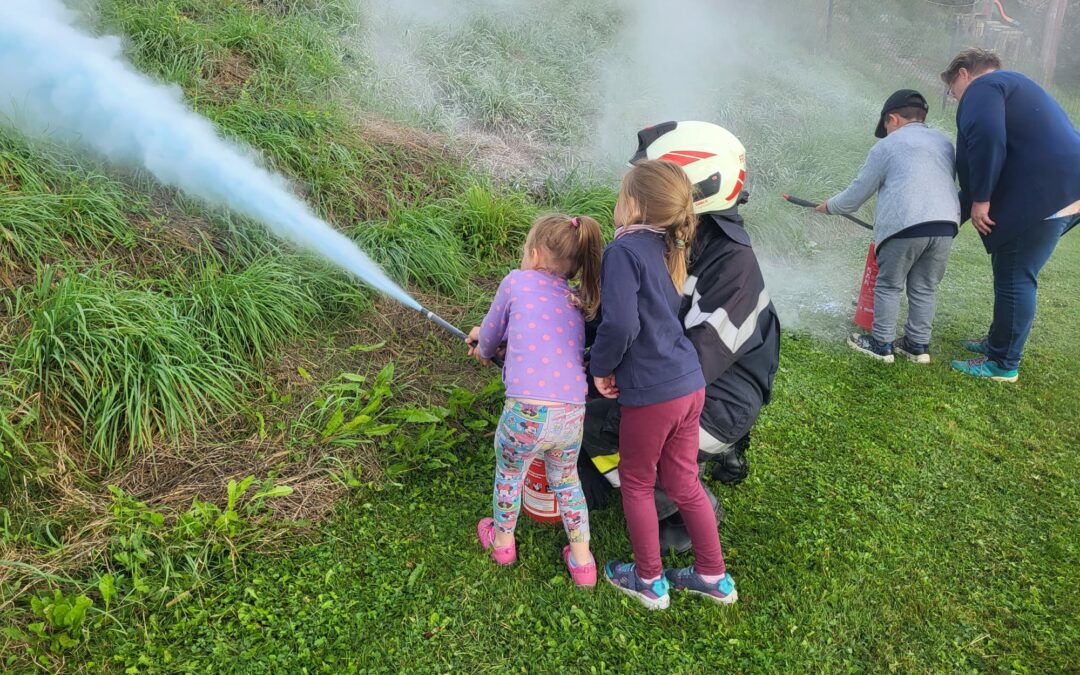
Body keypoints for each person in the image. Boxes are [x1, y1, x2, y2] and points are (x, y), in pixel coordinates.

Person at [579, 121, 780, 556]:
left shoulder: (733, 267)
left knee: (582, 421)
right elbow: (623, 313)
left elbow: (689, 365)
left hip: (709, 401)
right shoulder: (672, 239)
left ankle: (678, 502)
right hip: (681, 384)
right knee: (581, 404)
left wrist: (599, 383)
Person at [591, 159, 736, 610]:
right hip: (689, 384)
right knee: (682, 481)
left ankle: (649, 580)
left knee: (636, 482)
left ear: (633, 204)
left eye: (620, 196)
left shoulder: (622, 251)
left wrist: (600, 367)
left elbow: (620, 324)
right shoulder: (664, 247)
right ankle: (714, 577)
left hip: (653, 393)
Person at [467, 213, 604, 587]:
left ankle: (503, 544)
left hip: (526, 413)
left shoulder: (516, 281)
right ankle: (582, 562)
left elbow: (492, 337)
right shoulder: (576, 299)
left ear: (536, 253)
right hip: (571, 414)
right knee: (567, 481)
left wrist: (483, 346)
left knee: (510, 475)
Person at [942, 48, 1080, 382]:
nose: (956, 97)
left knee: (1016, 273)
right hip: (1061, 187)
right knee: (1010, 265)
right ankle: (997, 343)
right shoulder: (1012, 86)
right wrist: (942, 221)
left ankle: (1003, 364)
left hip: (1048, 191)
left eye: (952, 90)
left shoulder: (984, 88)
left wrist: (983, 199)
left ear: (963, 73)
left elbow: (989, 140)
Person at [817, 89, 960, 364]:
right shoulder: (943, 142)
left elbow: (859, 192)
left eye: (886, 125)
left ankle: (881, 343)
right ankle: (917, 346)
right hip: (944, 225)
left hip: (905, 225)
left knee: (889, 285)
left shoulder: (887, 146)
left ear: (892, 119)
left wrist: (830, 206)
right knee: (925, 287)